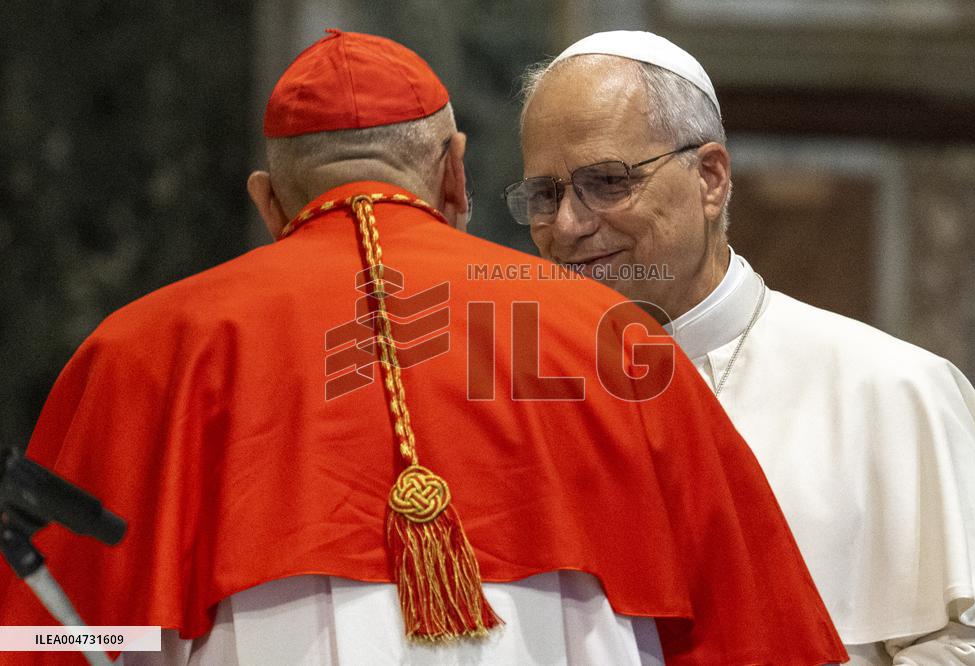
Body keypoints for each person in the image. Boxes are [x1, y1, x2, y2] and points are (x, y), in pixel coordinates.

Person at [0, 30, 847, 665]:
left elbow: (53, 637)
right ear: (456, 174)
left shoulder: (145, 351)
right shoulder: (609, 337)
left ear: (267, 199)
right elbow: (757, 630)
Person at [509, 29, 975, 665]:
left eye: (607, 182)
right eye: (546, 195)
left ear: (710, 177)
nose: (570, 225)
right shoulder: (516, 403)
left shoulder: (892, 391)